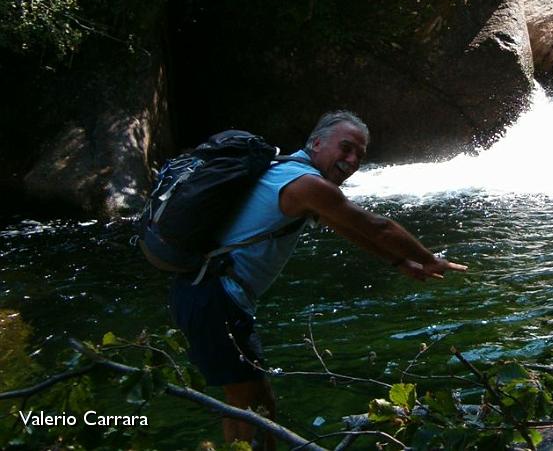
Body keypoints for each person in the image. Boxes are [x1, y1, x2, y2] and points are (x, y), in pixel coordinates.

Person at [169, 111, 467, 449]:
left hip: (208, 293)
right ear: (316, 143)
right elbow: (377, 226)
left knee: (257, 401)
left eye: (359, 155)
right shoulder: (306, 184)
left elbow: (344, 225)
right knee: (246, 404)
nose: (352, 160)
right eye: (345, 148)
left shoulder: (288, 171)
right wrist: (429, 260)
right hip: (212, 296)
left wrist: (399, 261)